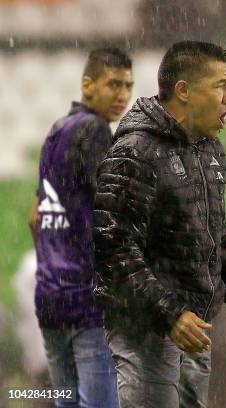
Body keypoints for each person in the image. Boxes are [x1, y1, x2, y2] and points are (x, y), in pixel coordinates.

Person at [93, 40, 226, 408]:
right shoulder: (135, 151)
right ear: (184, 91)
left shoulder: (209, 149)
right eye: (220, 85)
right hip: (148, 332)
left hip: (193, 331)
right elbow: (114, 250)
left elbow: (213, 234)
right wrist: (169, 314)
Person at [27, 47, 133, 407]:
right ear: (87, 85)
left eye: (128, 86)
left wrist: (55, 260)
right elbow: (112, 213)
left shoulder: (56, 133)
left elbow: (35, 217)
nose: (122, 95)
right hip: (87, 301)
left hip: (50, 299)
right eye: (113, 84)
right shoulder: (95, 130)